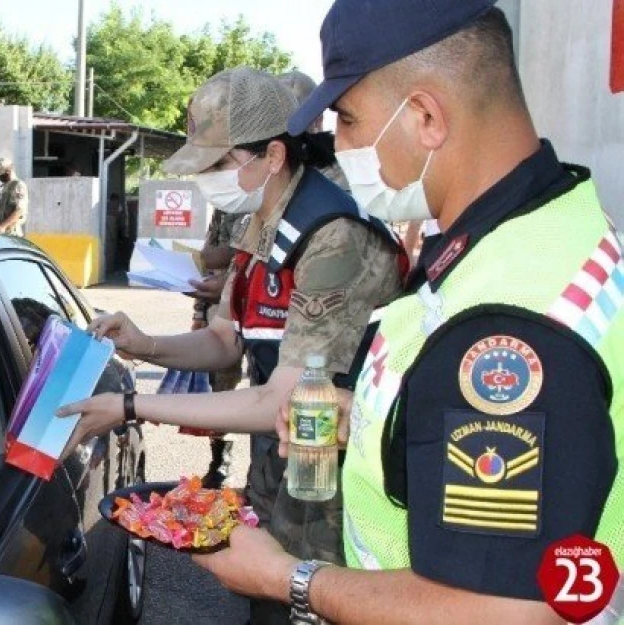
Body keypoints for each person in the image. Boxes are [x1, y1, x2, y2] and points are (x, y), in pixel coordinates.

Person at [191, 3, 624, 623]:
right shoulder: (536, 228)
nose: (337, 146)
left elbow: (504, 610)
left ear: (424, 117)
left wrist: (289, 577)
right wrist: (377, 420)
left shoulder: (505, 330)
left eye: (347, 119)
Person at [59, 66, 406, 623]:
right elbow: (225, 342)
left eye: (219, 165)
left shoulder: (332, 236)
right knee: (263, 603)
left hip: (338, 484)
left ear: (272, 155)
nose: (206, 181)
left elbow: (280, 401)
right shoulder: (262, 225)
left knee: (313, 608)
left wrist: (128, 406)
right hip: (282, 468)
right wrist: (143, 342)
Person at [191, 207, 247, 488]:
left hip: (259, 304)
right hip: (220, 309)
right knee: (222, 387)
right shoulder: (225, 205)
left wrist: (218, 256)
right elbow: (207, 260)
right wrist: (199, 313)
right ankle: (220, 460)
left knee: (269, 383)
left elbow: (223, 255)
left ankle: (265, 466)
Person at [0, 157, 28, 236]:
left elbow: (19, 210)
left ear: (8, 171)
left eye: (1, 174)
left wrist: (3, 226)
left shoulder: (18, 185)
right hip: (2, 234)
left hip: (13, 234)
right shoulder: (2, 188)